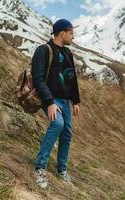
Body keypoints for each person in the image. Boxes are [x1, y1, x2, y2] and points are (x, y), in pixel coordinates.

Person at [31, 19, 80, 189]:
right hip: (50, 98)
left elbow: (71, 78)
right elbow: (37, 78)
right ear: (62, 33)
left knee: (67, 134)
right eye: (71, 33)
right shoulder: (43, 50)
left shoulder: (68, 53)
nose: (73, 37)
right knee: (57, 124)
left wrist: (76, 100)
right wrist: (50, 102)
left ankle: (62, 170)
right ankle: (39, 167)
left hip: (65, 101)